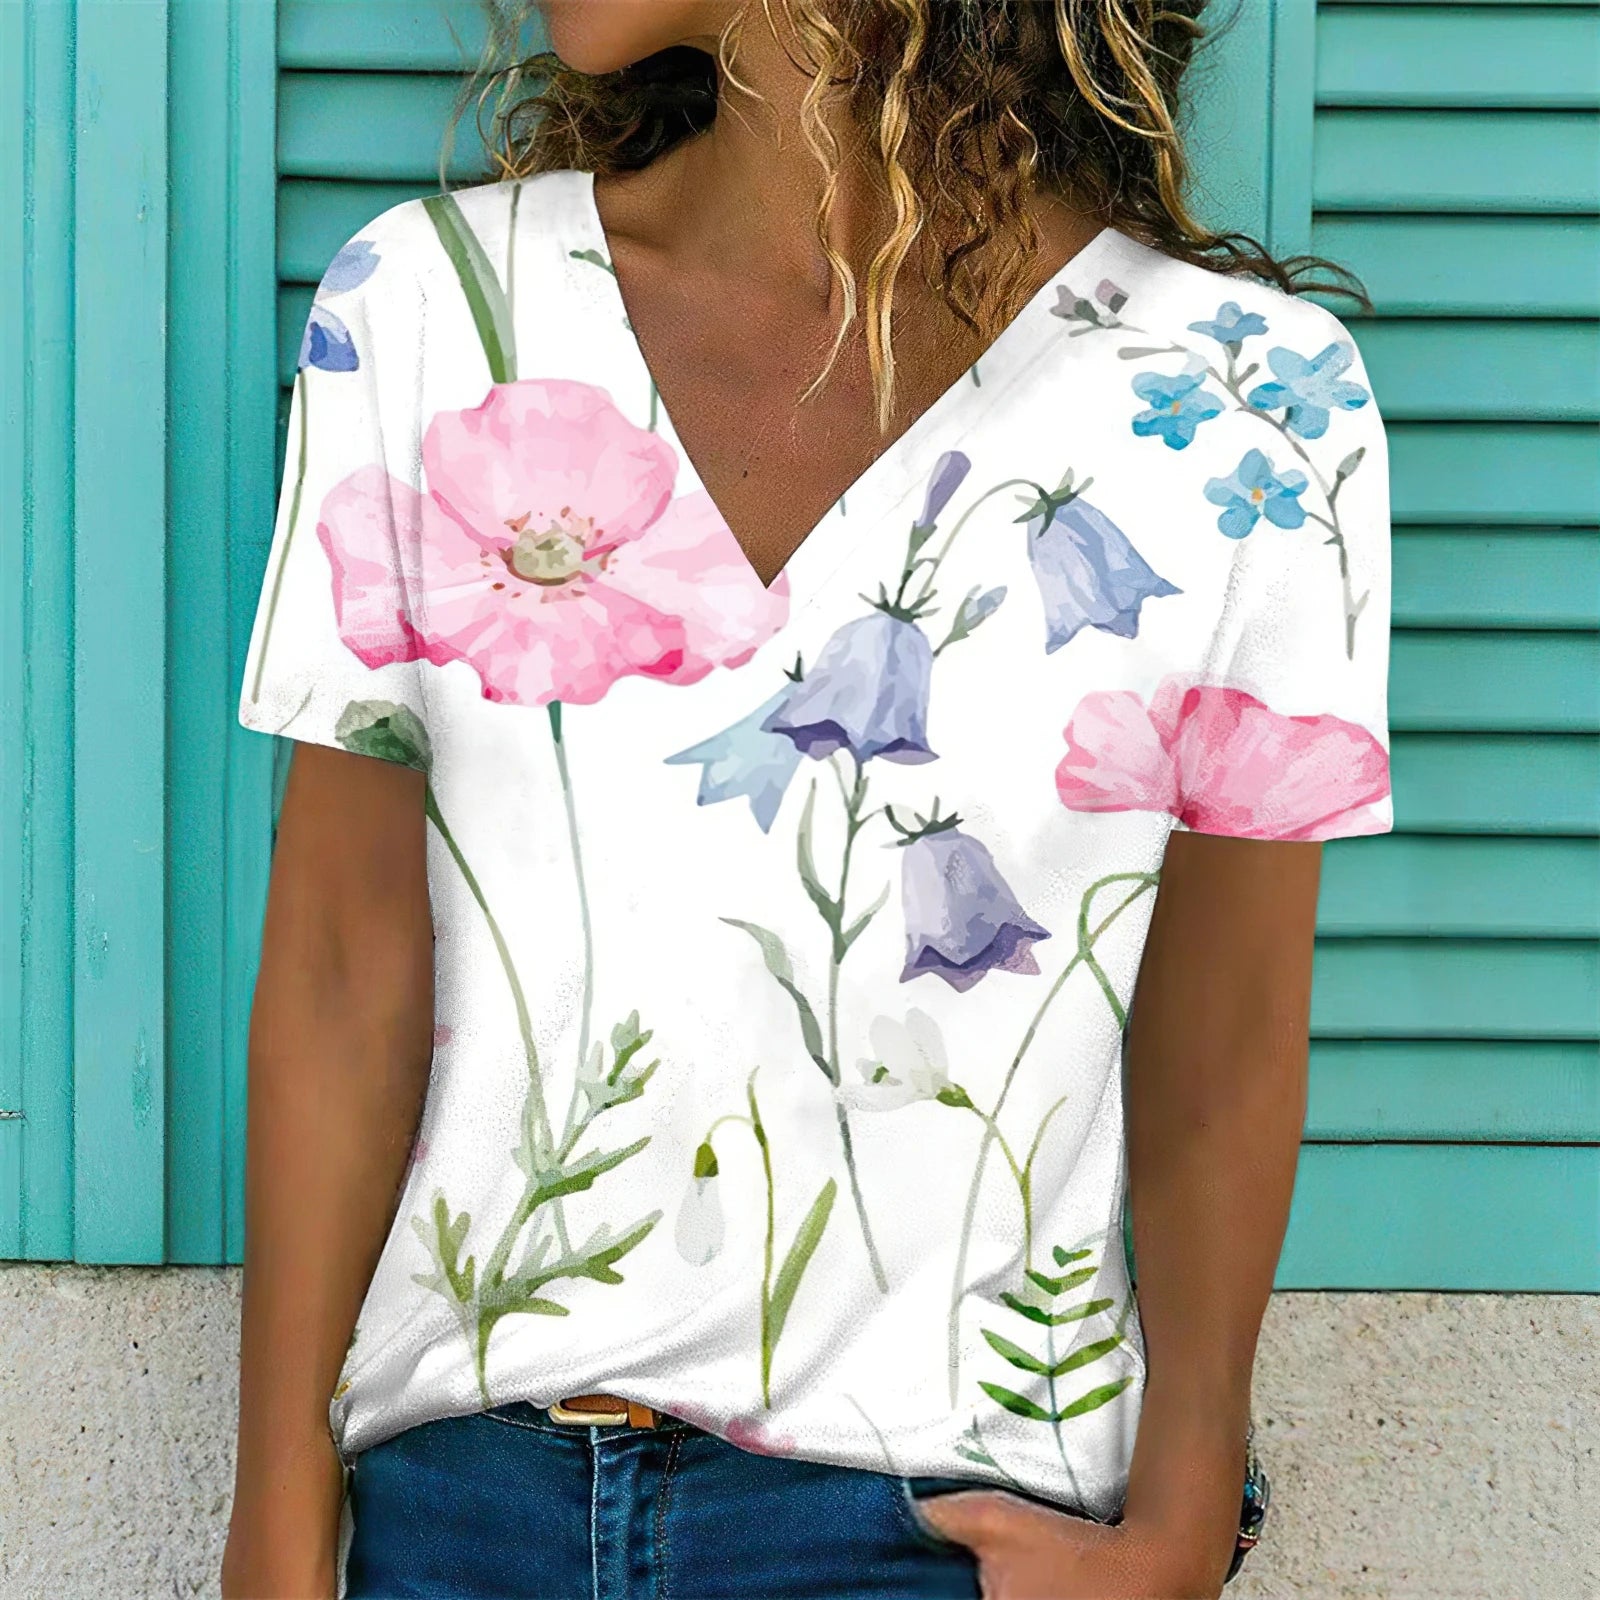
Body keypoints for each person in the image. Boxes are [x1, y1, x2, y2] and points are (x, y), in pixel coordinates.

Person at [222, 2, 1391, 1596]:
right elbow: (345, 968)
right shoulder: (433, 306)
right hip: (459, 1508)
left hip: (934, 1524)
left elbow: (1226, 1029)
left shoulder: (1244, 403)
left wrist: (1182, 1528)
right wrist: (279, 1513)